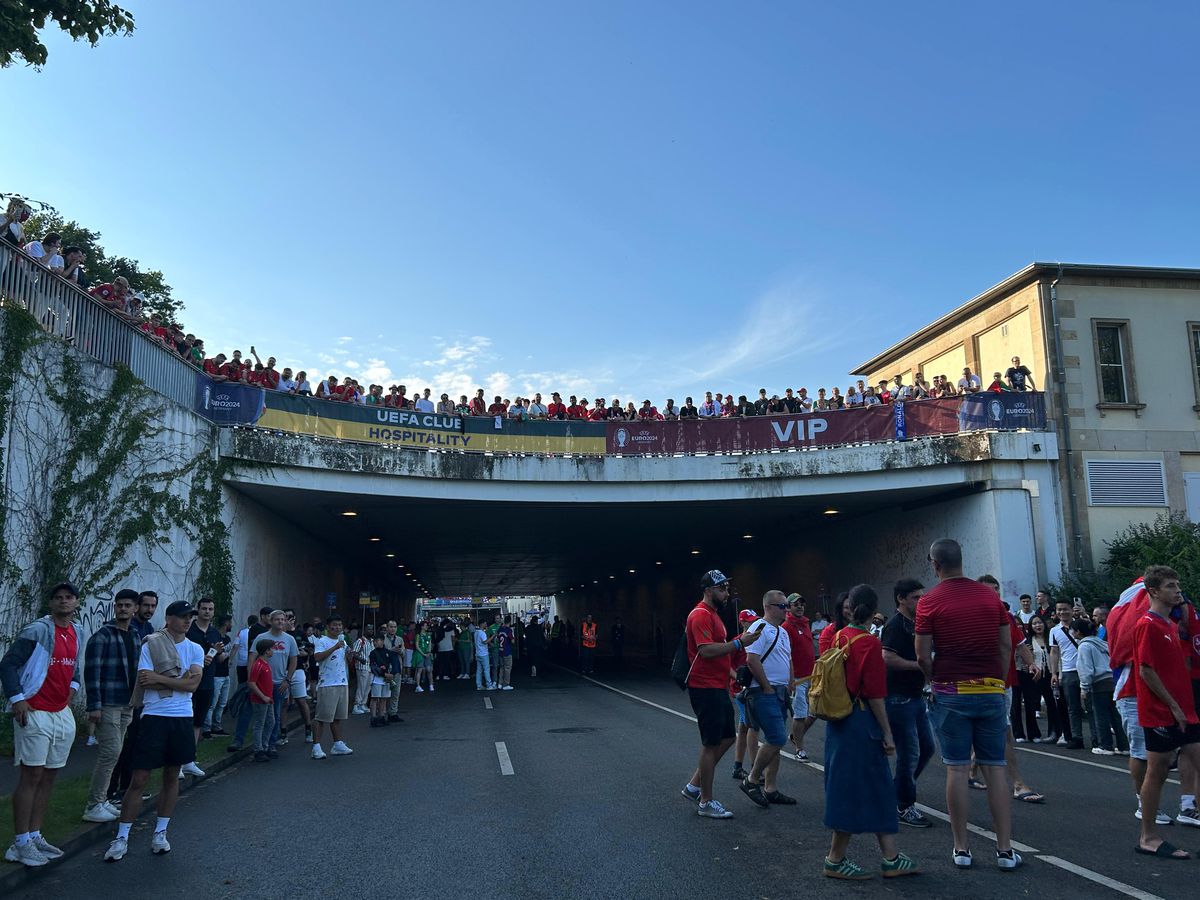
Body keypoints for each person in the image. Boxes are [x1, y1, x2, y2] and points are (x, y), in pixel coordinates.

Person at [915, 539, 1020, 870]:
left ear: (935, 564)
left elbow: (921, 653)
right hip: (990, 688)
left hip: (950, 690)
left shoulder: (929, 601)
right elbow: (1006, 646)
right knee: (995, 768)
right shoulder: (991, 597)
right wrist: (997, 680)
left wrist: (934, 680)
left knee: (957, 768)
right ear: (962, 560)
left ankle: (961, 848)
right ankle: (1004, 850)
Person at [823, 584, 918, 880]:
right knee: (857, 787)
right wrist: (888, 733)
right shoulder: (867, 643)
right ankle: (835, 859)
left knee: (871, 786)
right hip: (862, 723)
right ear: (874, 609)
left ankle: (890, 855)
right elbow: (876, 694)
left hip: (840, 720)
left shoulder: (840, 636)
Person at [104, 600, 204, 862]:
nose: (187, 621)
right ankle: (122, 836)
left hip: (182, 717)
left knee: (172, 775)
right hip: (154, 716)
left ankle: (161, 832)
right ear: (168, 618)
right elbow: (145, 678)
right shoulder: (152, 643)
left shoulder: (195, 648)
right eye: (182, 617)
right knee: (139, 778)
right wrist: (179, 681)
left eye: (189, 617)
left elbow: (193, 685)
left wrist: (164, 680)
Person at [1, 583, 83, 867]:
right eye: (58, 597)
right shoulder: (37, 630)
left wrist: (72, 690)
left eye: (68, 597)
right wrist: (17, 699)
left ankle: (35, 835)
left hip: (60, 711)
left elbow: (75, 668)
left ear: (76, 602)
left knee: (49, 776)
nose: (63, 602)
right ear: (51, 603)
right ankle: (20, 843)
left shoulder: (77, 631)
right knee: (31, 777)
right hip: (34, 710)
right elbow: (8, 664)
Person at [681, 569, 762, 819]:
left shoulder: (714, 615)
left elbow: (720, 653)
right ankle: (705, 801)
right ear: (708, 591)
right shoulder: (700, 615)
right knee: (710, 743)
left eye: (727, 588)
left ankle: (694, 785)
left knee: (727, 737)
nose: (726, 593)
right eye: (721, 589)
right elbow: (705, 651)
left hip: (717, 685)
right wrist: (740, 643)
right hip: (704, 687)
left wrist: (733, 674)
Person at [1132, 565, 1200, 859]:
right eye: (1171, 586)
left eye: (1177, 584)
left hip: (1184, 709)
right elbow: (1145, 670)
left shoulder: (1170, 625)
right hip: (1161, 712)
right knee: (1157, 771)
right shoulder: (1147, 624)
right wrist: (1172, 705)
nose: (1177, 590)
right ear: (1154, 591)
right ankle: (1148, 836)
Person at [82, 589, 140, 824]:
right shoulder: (103, 635)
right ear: (115, 608)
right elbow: (92, 672)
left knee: (116, 753)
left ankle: (103, 800)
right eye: (120, 605)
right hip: (107, 703)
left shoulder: (135, 635)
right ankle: (93, 804)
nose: (123, 609)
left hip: (127, 703)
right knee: (110, 752)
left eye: (128, 605)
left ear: (135, 608)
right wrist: (93, 705)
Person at [882, 578, 934, 828]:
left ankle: (897, 792)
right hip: (898, 697)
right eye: (916, 597)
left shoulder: (917, 622)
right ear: (901, 599)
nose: (921, 601)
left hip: (915, 696)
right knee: (909, 752)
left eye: (923, 596)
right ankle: (903, 804)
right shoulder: (895, 625)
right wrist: (920, 666)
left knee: (927, 748)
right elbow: (887, 658)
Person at [740, 590, 795, 808]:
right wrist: (766, 687)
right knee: (777, 737)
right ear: (770, 607)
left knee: (776, 739)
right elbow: (752, 659)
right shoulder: (759, 628)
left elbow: (787, 658)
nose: (787, 610)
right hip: (765, 691)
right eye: (783, 606)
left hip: (780, 690)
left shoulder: (782, 631)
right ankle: (752, 779)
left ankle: (770, 787)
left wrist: (790, 682)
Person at [1075, 617, 1127, 756]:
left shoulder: (1084, 646)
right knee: (1115, 715)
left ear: (1078, 632)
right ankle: (1124, 745)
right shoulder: (1102, 643)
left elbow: (1086, 669)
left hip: (1099, 684)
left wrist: (1084, 688)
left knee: (1101, 716)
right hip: (1112, 681)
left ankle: (1106, 745)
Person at [182, 597, 222, 777]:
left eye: (210, 609)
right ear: (198, 610)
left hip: (208, 680)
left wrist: (218, 652)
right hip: (189, 680)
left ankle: (189, 758)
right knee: (184, 719)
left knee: (198, 720)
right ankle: (179, 761)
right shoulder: (189, 630)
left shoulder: (215, 633)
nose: (207, 611)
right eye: (204, 608)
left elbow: (220, 660)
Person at [310, 615, 354, 758]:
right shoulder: (322, 641)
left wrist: (350, 654)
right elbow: (317, 657)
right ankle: (316, 747)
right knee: (322, 717)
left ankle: (337, 744)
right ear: (328, 627)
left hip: (342, 682)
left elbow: (348, 660)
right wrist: (335, 647)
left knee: (337, 717)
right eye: (334, 625)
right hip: (327, 684)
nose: (337, 627)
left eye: (340, 625)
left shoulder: (343, 642)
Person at [781, 594, 815, 762]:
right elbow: (786, 655)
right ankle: (799, 749)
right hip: (798, 679)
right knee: (800, 714)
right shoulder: (787, 627)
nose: (800, 607)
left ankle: (795, 735)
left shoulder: (806, 624)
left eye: (802, 604)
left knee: (816, 711)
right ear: (788, 608)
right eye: (796, 604)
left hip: (812, 675)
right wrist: (791, 679)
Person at [1049, 599, 1086, 749]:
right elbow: (1054, 652)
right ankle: (1076, 737)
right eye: (1059, 610)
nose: (1062, 612)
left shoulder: (1081, 624)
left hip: (1085, 668)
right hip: (1068, 671)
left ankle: (1099, 738)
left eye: (1065, 609)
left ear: (1072, 609)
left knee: (1091, 706)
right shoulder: (1054, 630)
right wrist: (1054, 673)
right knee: (1072, 706)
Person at [247, 638, 276, 762]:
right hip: (260, 700)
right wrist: (262, 696)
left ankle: (264, 746)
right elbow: (251, 682)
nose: (273, 651)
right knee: (260, 724)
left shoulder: (265, 663)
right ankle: (258, 749)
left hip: (268, 699)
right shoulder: (258, 665)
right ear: (266, 651)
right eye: (271, 649)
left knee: (271, 722)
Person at [204, 614, 233, 735]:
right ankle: (206, 728)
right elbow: (219, 658)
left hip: (226, 674)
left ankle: (217, 726)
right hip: (216, 675)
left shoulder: (228, 639)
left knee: (222, 703)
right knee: (212, 703)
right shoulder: (215, 637)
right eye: (230, 622)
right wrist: (228, 653)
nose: (232, 625)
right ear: (226, 623)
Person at [368, 635, 392, 727]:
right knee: (374, 698)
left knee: (384, 698)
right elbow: (373, 667)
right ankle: (373, 718)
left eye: (377, 640)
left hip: (387, 679)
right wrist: (384, 674)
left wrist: (391, 673)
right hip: (377, 679)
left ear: (382, 641)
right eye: (374, 641)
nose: (375, 643)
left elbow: (391, 663)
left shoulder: (388, 652)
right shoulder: (373, 653)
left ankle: (381, 716)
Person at [351, 627, 373, 713]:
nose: (370, 631)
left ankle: (363, 704)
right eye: (369, 629)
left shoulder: (371, 641)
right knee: (361, 687)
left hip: (370, 667)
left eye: (371, 629)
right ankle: (356, 705)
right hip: (362, 667)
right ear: (364, 631)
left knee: (368, 687)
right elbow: (354, 653)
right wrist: (361, 659)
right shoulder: (360, 641)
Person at [473, 619, 496, 691]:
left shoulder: (476, 632)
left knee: (479, 670)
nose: (486, 625)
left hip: (478, 653)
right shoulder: (482, 633)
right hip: (484, 654)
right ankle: (489, 685)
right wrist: (493, 636)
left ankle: (479, 685)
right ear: (482, 624)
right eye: (485, 623)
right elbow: (485, 642)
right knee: (486, 670)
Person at [413, 621, 434, 692]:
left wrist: (429, 652)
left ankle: (431, 685)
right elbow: (417, 646)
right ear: (422, 626)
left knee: (429, 669)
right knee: (420, 669)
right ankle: (418, 686)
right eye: (425, 625)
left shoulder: (428, 635)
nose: (426, 627)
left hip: (427, 653)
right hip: (420, 653)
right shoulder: (418, 635)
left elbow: (430, 644)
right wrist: (423, 654)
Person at [496, 618, 516, 690]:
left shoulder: (500, 629)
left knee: (501, 667)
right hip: (507, 651)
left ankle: (500, 683)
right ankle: (506, 684)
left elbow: (497, 639)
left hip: (501, 651)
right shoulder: (509, 630)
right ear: (510, 622)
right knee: (507, 668)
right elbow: (513, 641)